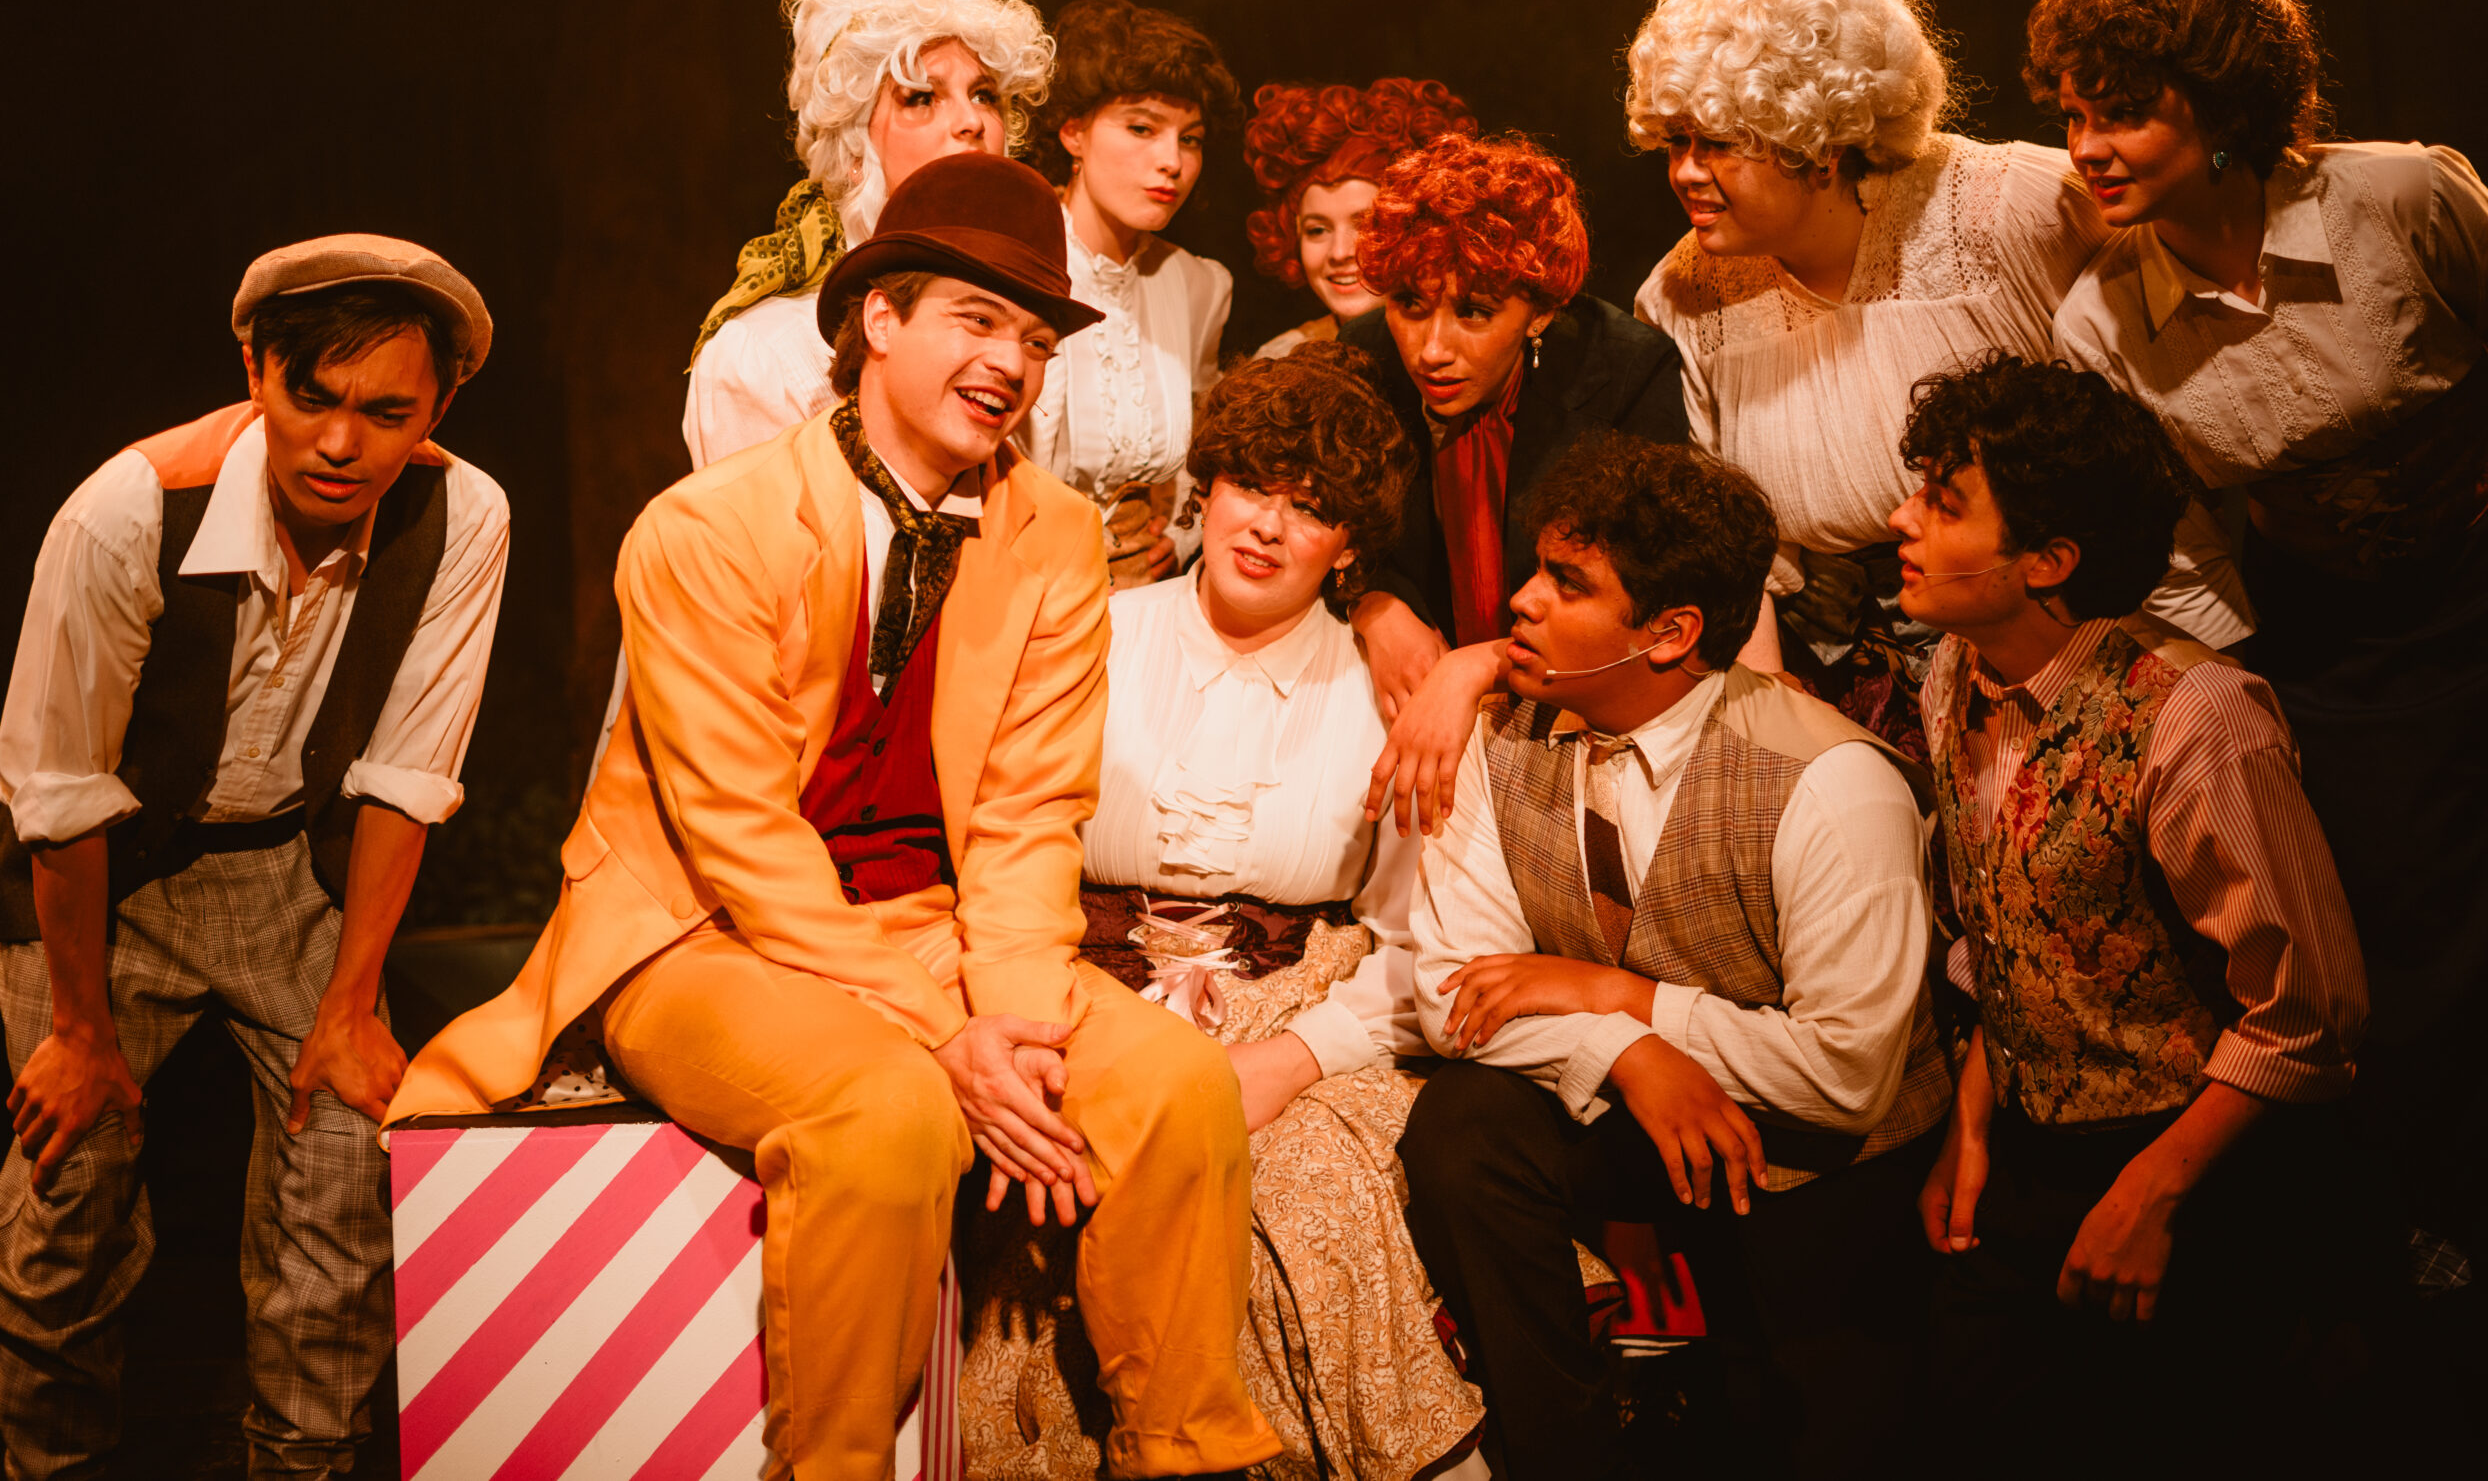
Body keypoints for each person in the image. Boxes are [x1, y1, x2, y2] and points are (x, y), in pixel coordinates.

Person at [388, 155, 1279, 1481]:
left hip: (936, 928)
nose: (1010, 363)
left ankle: (1187, 1456)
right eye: (976, 321)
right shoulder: (706, 528)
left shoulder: (1050, 536)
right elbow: (741, 838)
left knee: (1180, 1088)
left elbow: (1031, 812)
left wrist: (1011, 1021)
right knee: (888, 1111)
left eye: (1036, 341)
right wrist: (945, 1035)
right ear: (880, 319)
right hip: (702, 935)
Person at [2030, 0, 2488, 1342]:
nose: (2087, 147)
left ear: (2222, 107)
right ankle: (2466, 1218)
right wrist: (2249, 676)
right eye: (2071, 114)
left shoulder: (2402, 194)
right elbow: (2181, 542)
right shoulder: (2101, 316)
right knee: (2397, 906)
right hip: (2336, 638)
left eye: (2122, 112)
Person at [0, 237, 510, 1478]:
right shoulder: (128, 508)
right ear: (254, 372)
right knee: (66, 1197)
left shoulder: (462, 514)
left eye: (386, 413)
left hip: (290, 870)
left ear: (438, 408)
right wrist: (78, 1029)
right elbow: (59, 793)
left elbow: (405, 774)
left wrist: (351, 1009)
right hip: (109, 877)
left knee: (342, 1176)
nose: (340, 444)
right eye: (311, 398)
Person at [963, 351, 1484, 1480]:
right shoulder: (1090, 632)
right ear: (1208, 488)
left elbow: (1420, 941)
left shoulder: (1388, 691)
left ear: (1349, 545)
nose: (1268, 526)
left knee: (1293, 1192)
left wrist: (1289, 1060)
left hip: (1294, 1014)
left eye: (1312, 507)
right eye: (1252, 486)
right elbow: (994, 850)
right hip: (1075, 997)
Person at [1398, 433, 1951, 1480]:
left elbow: (1844, 1074)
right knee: (1462, 1127)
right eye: (1537, 569)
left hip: (1816, 1157)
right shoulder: (1496, 734)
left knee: (1806, 1430)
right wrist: (1625, 1051)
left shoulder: (1830, 782)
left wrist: (1627, 997)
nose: (1520, 600)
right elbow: (1450, 996)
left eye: (1567, 583)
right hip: (1632, 1111)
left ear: (1669, 633)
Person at [1887, 354, 2367, 1453]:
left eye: (1943, 503)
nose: (1900, 519)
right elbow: (2004, 934)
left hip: (2195, 1161)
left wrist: (2153, 1193)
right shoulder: (1950, 671)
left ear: (2049, 560)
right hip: (2031, 1150)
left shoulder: (2196, 719)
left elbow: (2310, 1012)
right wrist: (1972, 1131)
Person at [1621, 0, 2239, 762]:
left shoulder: (2013, 210)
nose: (1686, 172)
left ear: (1819, 143)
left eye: (1721, 143)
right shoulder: (1681, 298)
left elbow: (2168, 421)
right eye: (1675, 142)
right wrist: (1771, 709)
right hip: (1840, 683)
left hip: (2089, 641)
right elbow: (1727, 540)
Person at [1338, 132, 1687, 838]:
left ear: (1542, 309)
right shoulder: (1366, 352)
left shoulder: (1625, 367)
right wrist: (1375, 603)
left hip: (1584, 713)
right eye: (1410, 304)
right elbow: (1331, 524)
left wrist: (1480, 667)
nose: (1432, 350)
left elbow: (1638, 595)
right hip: (1411, 710)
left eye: (1474, 311)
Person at [684, 0, 1054, 468]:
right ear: (854, 150)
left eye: (985, 95)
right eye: (922, 97)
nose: (972, 121)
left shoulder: (1020, 329)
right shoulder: (763, 356)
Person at [1018, 0, 1242, 589]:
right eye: (1141, 128)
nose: (1171, 161)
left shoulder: (1196, 284)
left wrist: (1183, 535)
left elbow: (1203, 454)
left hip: (1145, 597)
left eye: (1190, 139)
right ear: (1074, 131)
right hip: (1022, 592)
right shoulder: (1016, 261)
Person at [1240, 77, 1476, 359]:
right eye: (1317, 230)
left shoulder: (1463, 355)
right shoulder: (1279, 361)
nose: (1339, 252)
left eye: (1366, 225)